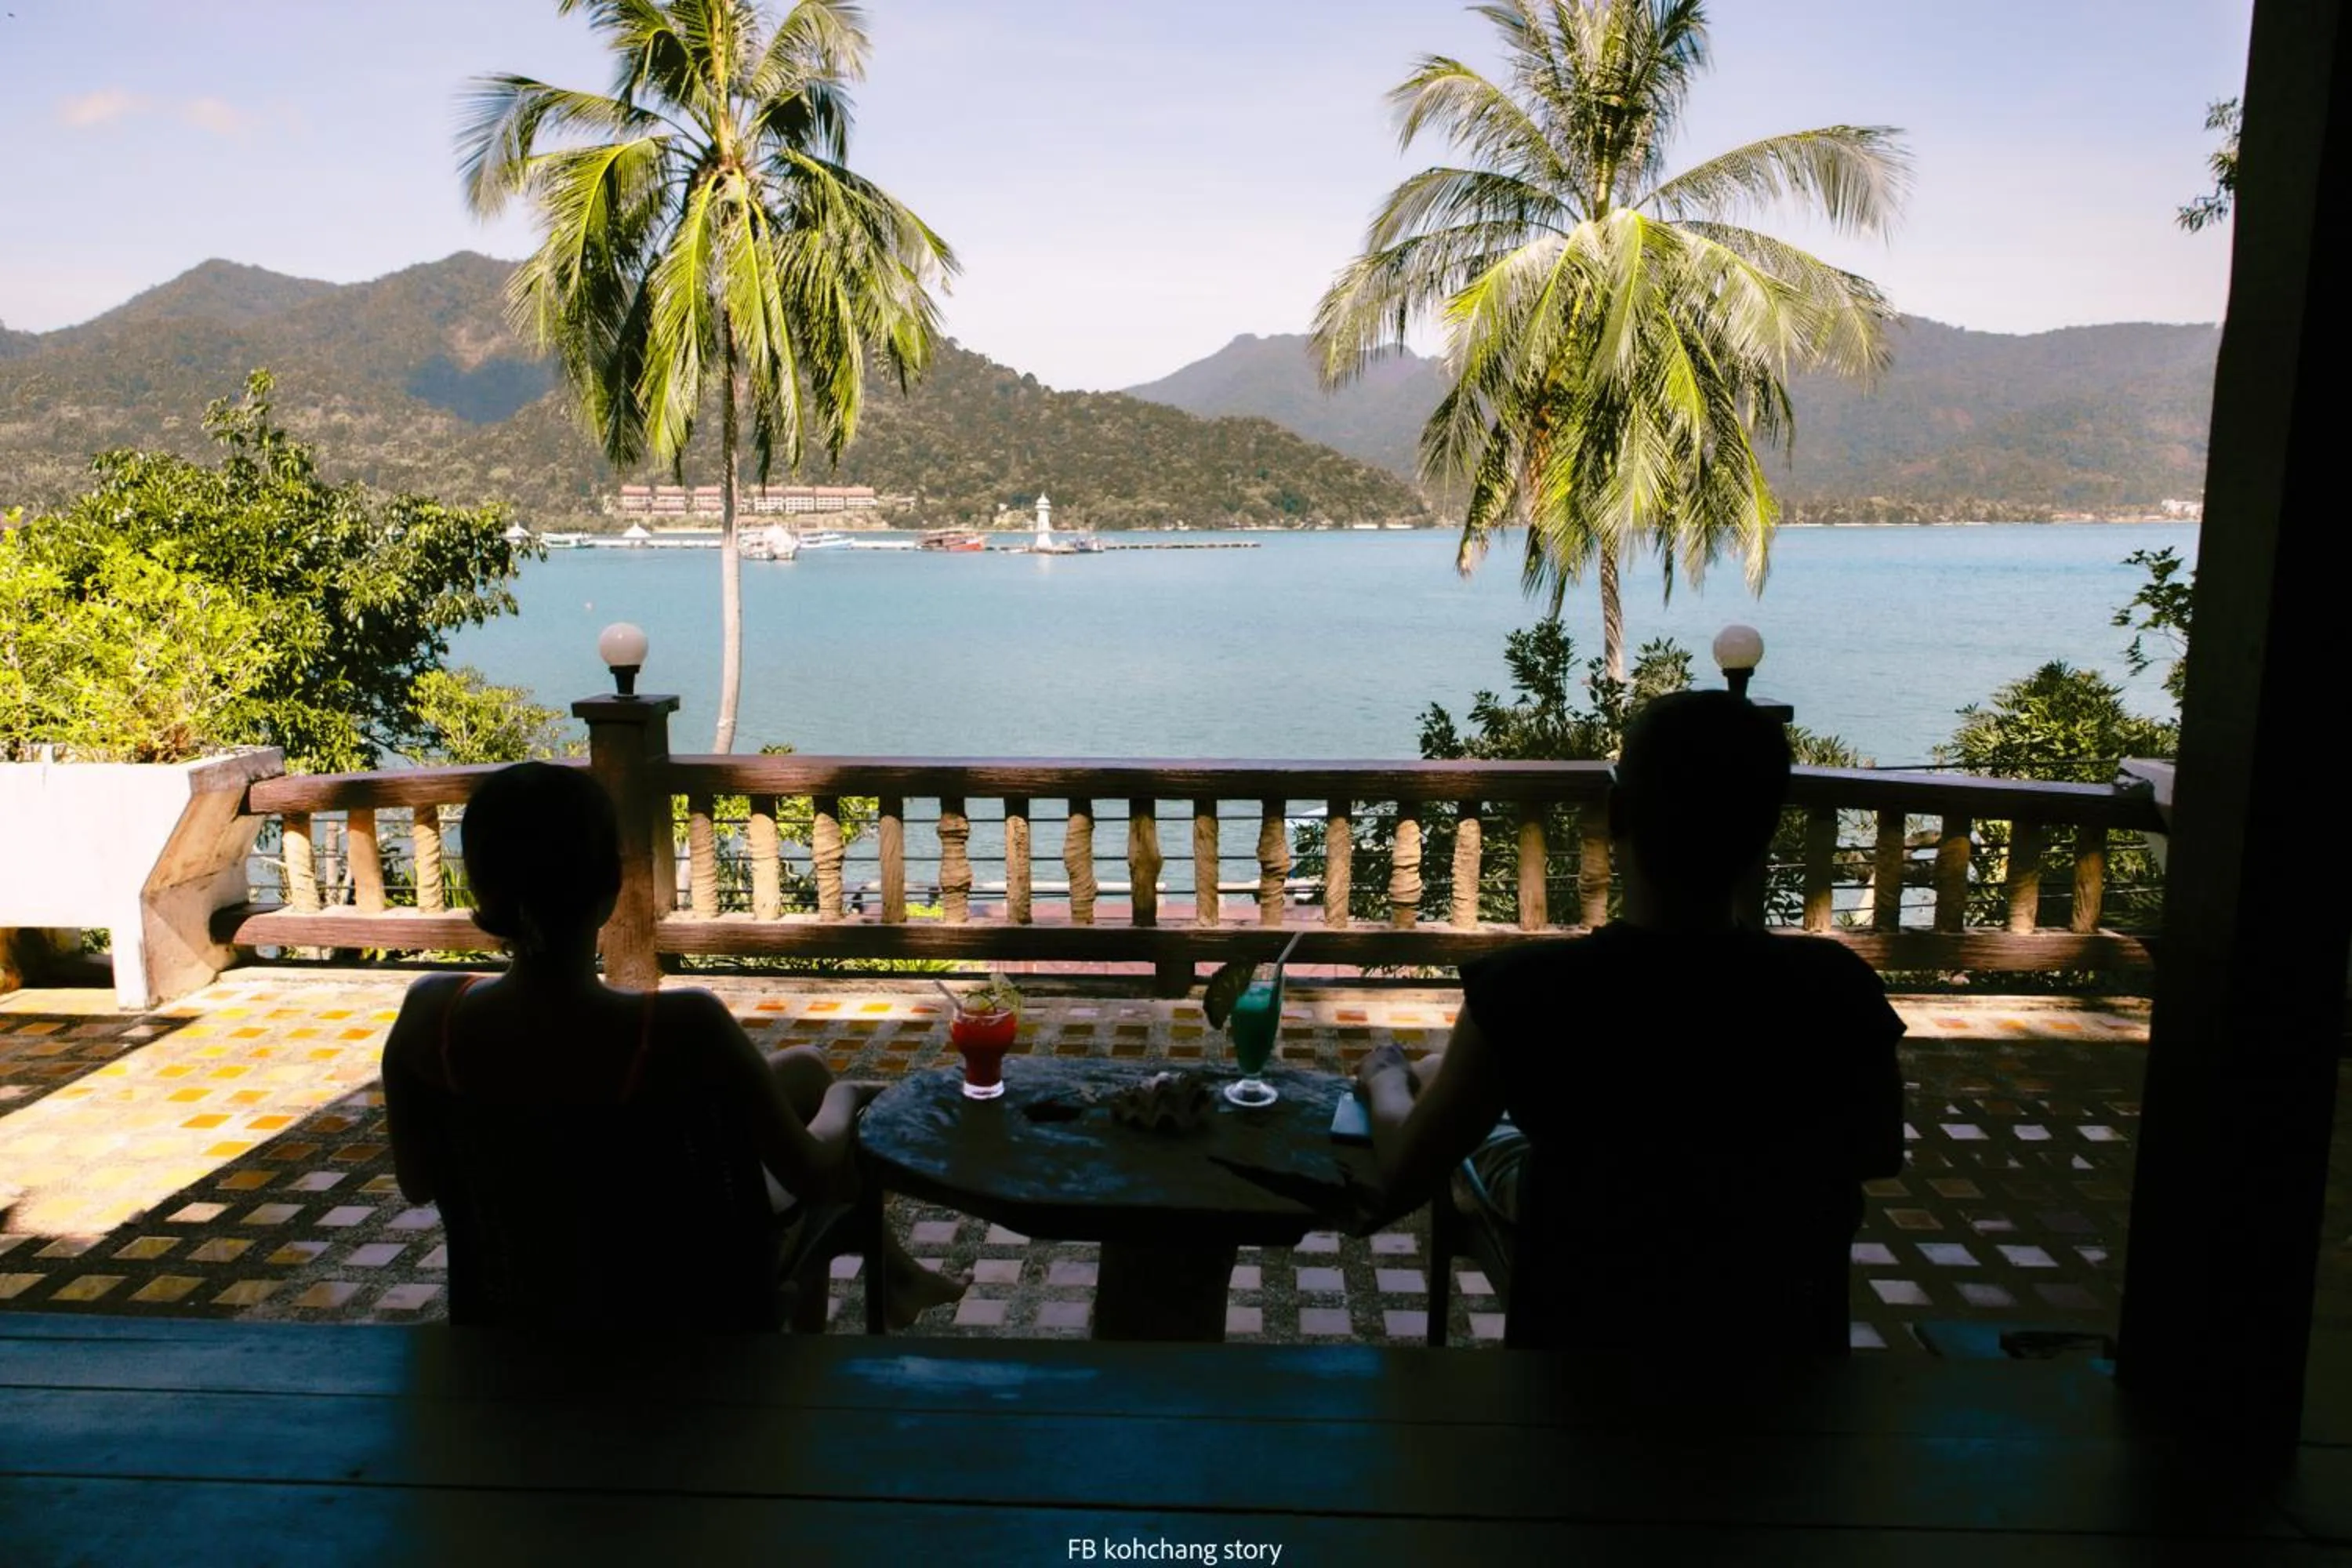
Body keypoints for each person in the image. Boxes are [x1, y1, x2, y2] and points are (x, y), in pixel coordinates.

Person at [1355, 690, 1907, 1353]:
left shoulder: (1529, 994)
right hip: (1776, 1367)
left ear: (1617, 815)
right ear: (1766, 830)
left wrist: (1381, 1078)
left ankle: (1421, 1075)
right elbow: (1876, 1153)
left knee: (1469, 1123)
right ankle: (1441, 1074)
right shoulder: (1836, 991)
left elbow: (1404, 1176)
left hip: (1583, 1364)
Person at [381, 760, 966, 1330]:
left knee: (804, 1068)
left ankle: (901, 1280)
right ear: (611, 883)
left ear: (482, 884)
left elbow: (416, 1184)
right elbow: (812, 1173)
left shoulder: (431, 1014)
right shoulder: (682, 1028)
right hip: (671, 1295)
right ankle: (806, 1362)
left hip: (519, 1298)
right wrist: (849, 1096)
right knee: (830, 1143)